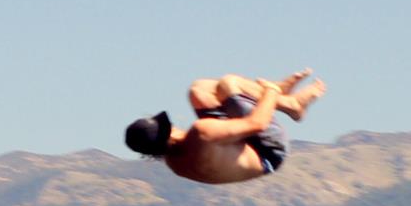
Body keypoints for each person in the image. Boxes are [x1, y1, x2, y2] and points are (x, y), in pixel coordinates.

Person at [123, 72, 326, 184]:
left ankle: (283, 98)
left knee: (199, 91)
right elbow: (257, 124)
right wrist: (270, 92)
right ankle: (292, 105)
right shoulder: (201, 132)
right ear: (168, 132)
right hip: (268, 149)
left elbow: (208, 148)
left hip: (246, 152)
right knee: (230, 84)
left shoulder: (176, 162)